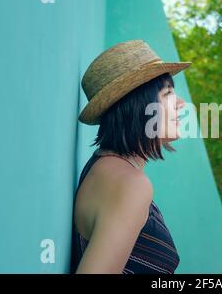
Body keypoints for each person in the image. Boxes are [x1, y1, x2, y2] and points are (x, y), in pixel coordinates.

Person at [71, 39, 191, 274]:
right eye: (168, 93)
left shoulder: (105, 166)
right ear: (138, 105)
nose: (181, 103)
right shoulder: (130, 184)